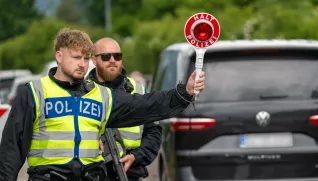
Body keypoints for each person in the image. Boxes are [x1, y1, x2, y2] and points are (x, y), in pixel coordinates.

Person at [0, 28, 205, 181]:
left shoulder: (102, 96)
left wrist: (183, 93)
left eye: (86, 58)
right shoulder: (34, 93)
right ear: (59, 56)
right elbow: (11, 150)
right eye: (76, 57)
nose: (82, 64)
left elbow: (145, 105)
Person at [86, 37, 160, 181]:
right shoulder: (81, 93)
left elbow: (153, 133)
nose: (113, 60)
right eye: (106, 56)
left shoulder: (139, 91)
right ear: (94, 60)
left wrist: (135, 156)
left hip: (128, 174)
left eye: (117, 56)